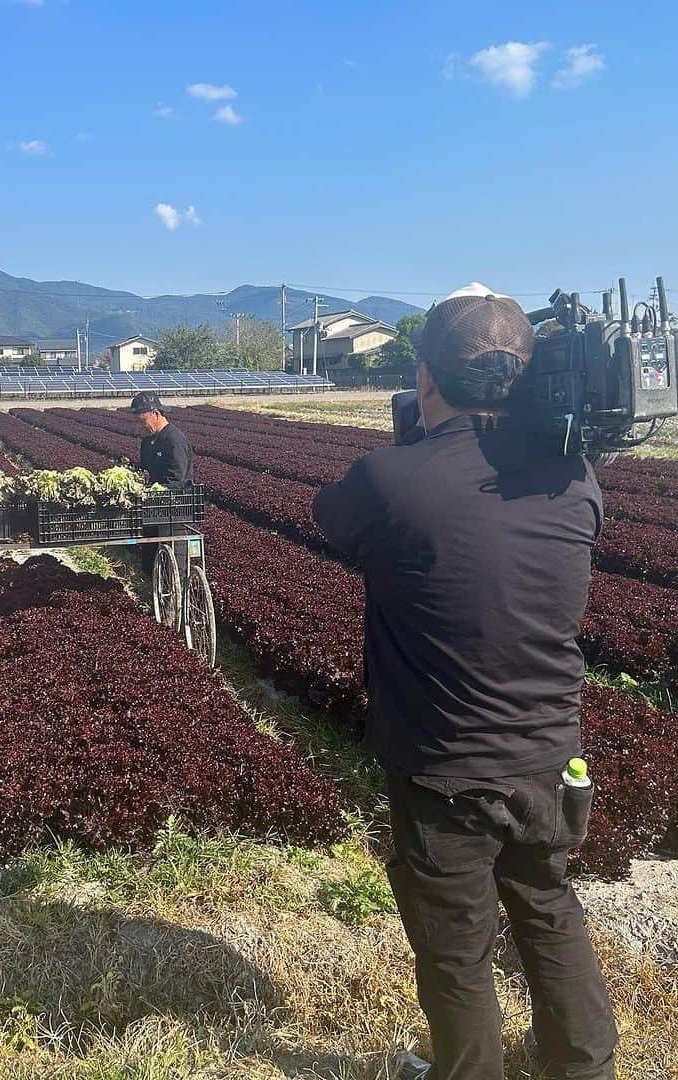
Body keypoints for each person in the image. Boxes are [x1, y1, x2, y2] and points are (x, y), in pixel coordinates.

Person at [312, 285, 617, 1080]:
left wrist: (410, 441)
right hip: (551, 757)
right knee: (548, 912)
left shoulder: (388, 479)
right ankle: (584, 1068)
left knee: (456, 951)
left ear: (426, 379)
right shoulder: (573, 477)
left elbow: (331, 515)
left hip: (444, 768)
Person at [131, 391, 194, 488]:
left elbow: (176, 480)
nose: (139, 426)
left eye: (142, 421)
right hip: (155, 498)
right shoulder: (147, 441)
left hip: (176, 500)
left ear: (155, 413)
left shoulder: (174, 440)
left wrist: (156, 492)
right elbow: (144, 471)